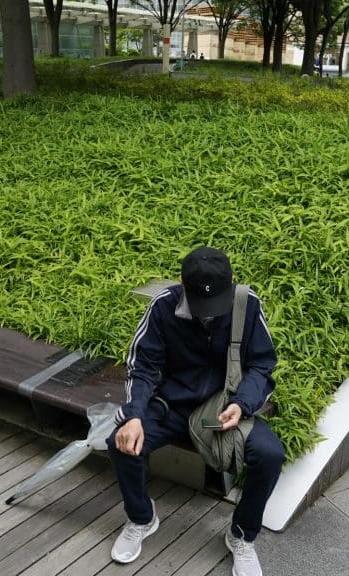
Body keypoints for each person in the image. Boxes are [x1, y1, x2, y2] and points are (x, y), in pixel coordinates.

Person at [108, 246, 284, 576]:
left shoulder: (247, 304)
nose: (209, 312)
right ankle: (142, 518)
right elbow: (142, 366)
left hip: (221, 410)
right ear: (181, 283)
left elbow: (262, 363)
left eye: (216, 301)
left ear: (232, 281)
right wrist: (133, 416)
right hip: (171, 405)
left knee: (270, 455)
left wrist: (241, 404)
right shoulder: (163, 306)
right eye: (200, 302)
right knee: (121, 442)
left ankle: (241, 535)